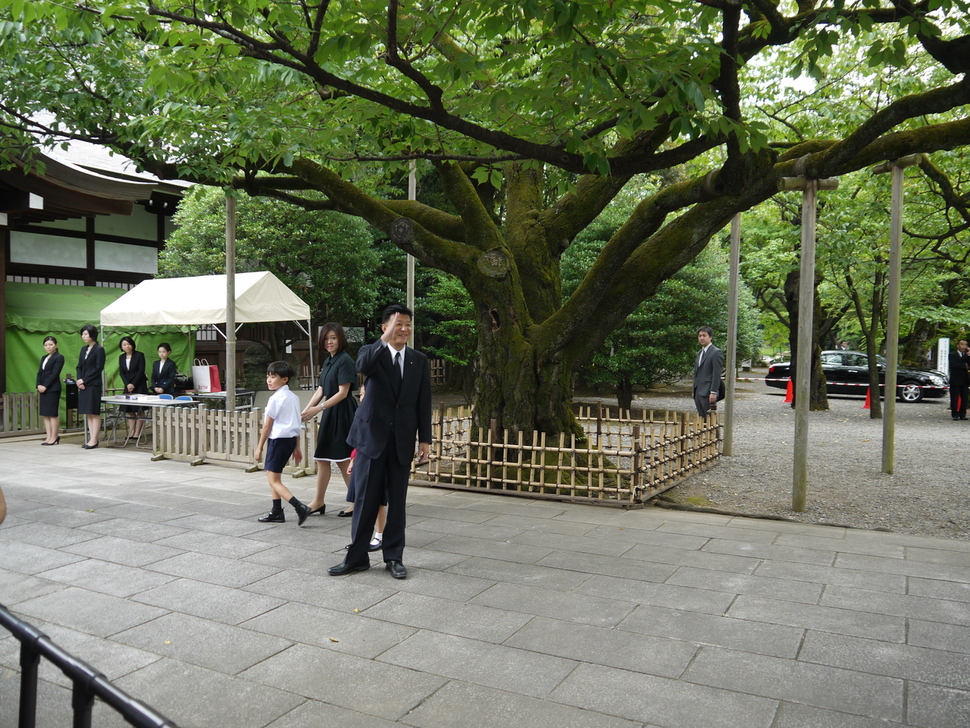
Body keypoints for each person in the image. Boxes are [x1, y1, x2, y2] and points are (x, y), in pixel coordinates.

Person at [329, 304, 431, 580]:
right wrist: (384, 341)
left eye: (408, 324)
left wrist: (425, 439)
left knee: (397, 501)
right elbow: (362, 367)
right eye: (398, 324)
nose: (405, 329)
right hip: (370, 439)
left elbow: (423, 402)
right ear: (384, 328)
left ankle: (394, 557)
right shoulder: (369, 352)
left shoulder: (418, 360)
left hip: (401, 440)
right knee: (364, 499)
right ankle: (357, 557)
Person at [301, 323, 358, 516]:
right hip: (330, 412)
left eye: (333, 337)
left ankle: (357, 502)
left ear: (340, 338)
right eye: (326, 338)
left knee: (343, 459)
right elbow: (321, 390)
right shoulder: (328, 361)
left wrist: (319, 408)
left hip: (343, 413)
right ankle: (318, 501)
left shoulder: (345, 361)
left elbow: (343, 393)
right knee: (322, 458)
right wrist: (307, 409)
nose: (329, 342)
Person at [254, 361, 311, 525]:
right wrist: (297, 446)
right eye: (268, 377)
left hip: (278, 441)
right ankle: (277, 511)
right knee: (273, 475)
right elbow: (297, 423)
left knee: (273, 480)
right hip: (289, 440)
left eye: (273, 377)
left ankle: (299, 506)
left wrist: (259, 447)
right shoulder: (294, 397)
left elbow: (267, 426)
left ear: (285, 379)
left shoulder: (275, 399)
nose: (269, 380)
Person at [76, 324, 105, 449]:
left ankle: (94, 439)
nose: (83, 336)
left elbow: (98, 367)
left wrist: (85, 379)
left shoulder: (99, 349)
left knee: (94, 412)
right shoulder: (83, 349)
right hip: (83, 384)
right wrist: (79, 380)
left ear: (92, 335)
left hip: (93, 384)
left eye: (86, 334)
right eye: (82, 334)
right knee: (88, 412)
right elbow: (79, 366)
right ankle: (90, 438)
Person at [118, 336, 149, 441]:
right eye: (124, 345)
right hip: (128, 386)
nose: (127, 346)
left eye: (128, 344)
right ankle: (131, 431)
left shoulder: (139, 355)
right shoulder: (121, 357)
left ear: (132, 345)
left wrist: (133, 384)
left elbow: (141, 371)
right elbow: (122, 372)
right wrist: (128, 384)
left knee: (139, 409)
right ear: (121, 347)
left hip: (139, 385)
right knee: (129, 409)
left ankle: (137, 432)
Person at [36, 335, 65, 445]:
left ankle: (54, 436)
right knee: (45, 413)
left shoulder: (59, 357)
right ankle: (48, 436)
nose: (48, 347)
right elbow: (39, 372)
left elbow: (54, 374)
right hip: (43, 388)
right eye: (46, 345)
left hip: (52, 388)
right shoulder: (44, 358)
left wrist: (45, 386)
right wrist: (38, 385)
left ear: (56, 345)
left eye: (51, 344)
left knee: (52, 413)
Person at [693, 325, 723, 418]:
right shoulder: (699, 353)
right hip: (698, 391)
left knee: (710, 419)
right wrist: (694, 389)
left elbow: (716, 373)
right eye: (700, 336)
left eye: (704, 335)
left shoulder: (716, 352)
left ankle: (715, 433)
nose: (701, 338)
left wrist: (713, 391)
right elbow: (697, 372)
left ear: (710, 337)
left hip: (708, 391)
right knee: (702, 419)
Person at [948, 339, 969, 421]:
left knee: (964, 397)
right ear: (958, 346)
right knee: (955, 397)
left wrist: (968, 355)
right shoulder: (952, 355)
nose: (964, 346)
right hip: (955, 379)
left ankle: (962, 414)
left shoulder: (966, 355)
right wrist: (964, 366)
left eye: (965, 345)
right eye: (962, 344)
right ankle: (955, 414)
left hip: (965, 380)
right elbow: (954, 365)